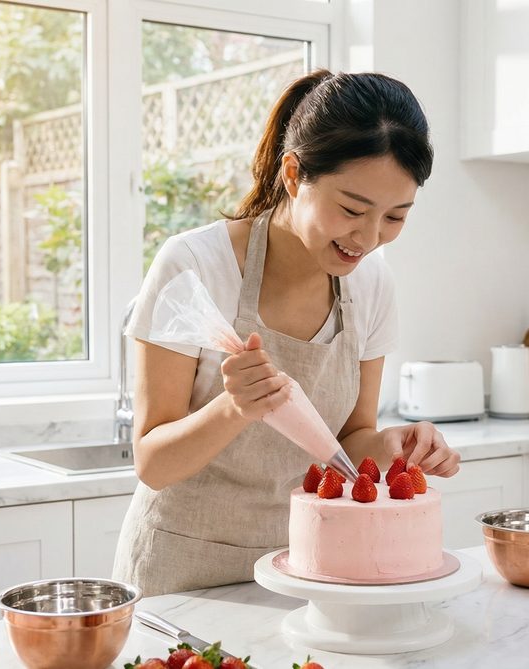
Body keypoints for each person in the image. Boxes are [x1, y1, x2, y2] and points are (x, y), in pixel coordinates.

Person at [112, 69, 461, 596]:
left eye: (395, 216)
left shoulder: (370, 284)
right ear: (294, 174)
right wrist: (234, 407)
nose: (367, 238)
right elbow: (154, 463)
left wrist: (394, 445)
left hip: (307, 567)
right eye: (351, 209)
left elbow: (350, 439)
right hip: (185, 569)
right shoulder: (195, 265)